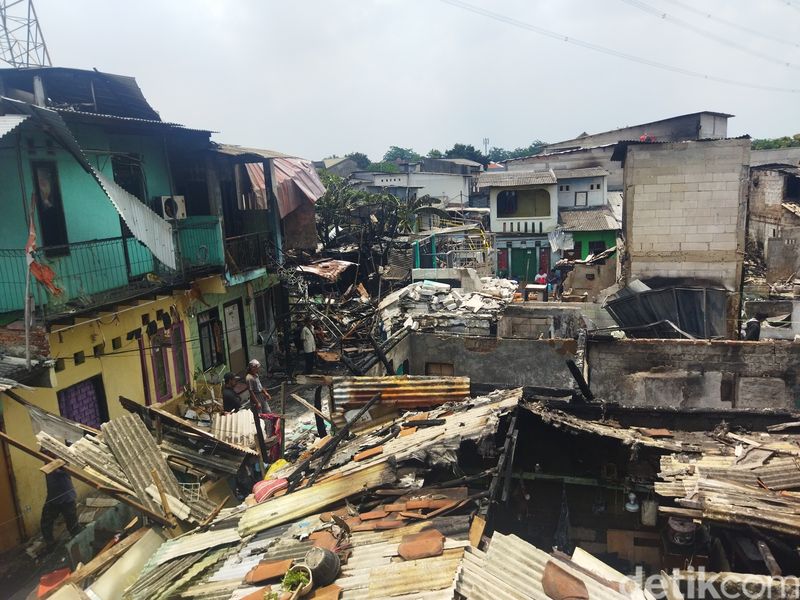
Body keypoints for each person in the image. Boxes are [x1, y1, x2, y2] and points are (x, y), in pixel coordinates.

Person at [41, 463, 81, 549]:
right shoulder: (47, 463)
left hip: (67, 498)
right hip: (53, 498)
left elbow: (64, 470)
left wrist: (57, 466)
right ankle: (50, 545)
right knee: (46, 522)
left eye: (48, 453)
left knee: (72, 524)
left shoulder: (62, 463)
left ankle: (78, 544)